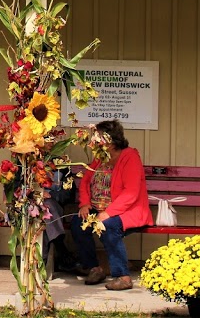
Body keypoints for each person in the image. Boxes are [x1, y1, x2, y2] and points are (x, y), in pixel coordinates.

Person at [69, 119, 152, 291]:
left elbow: (131, 192)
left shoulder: (130, 157)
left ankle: (123, 276)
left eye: (98, 138)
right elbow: (85, 182)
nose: (94, 142)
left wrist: (108, 212)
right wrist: (84, 204)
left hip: (128, 211)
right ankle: (94, 268)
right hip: (98, 209)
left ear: (111, 141)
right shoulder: (100, 157)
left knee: (106, 226)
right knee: (78, 224)